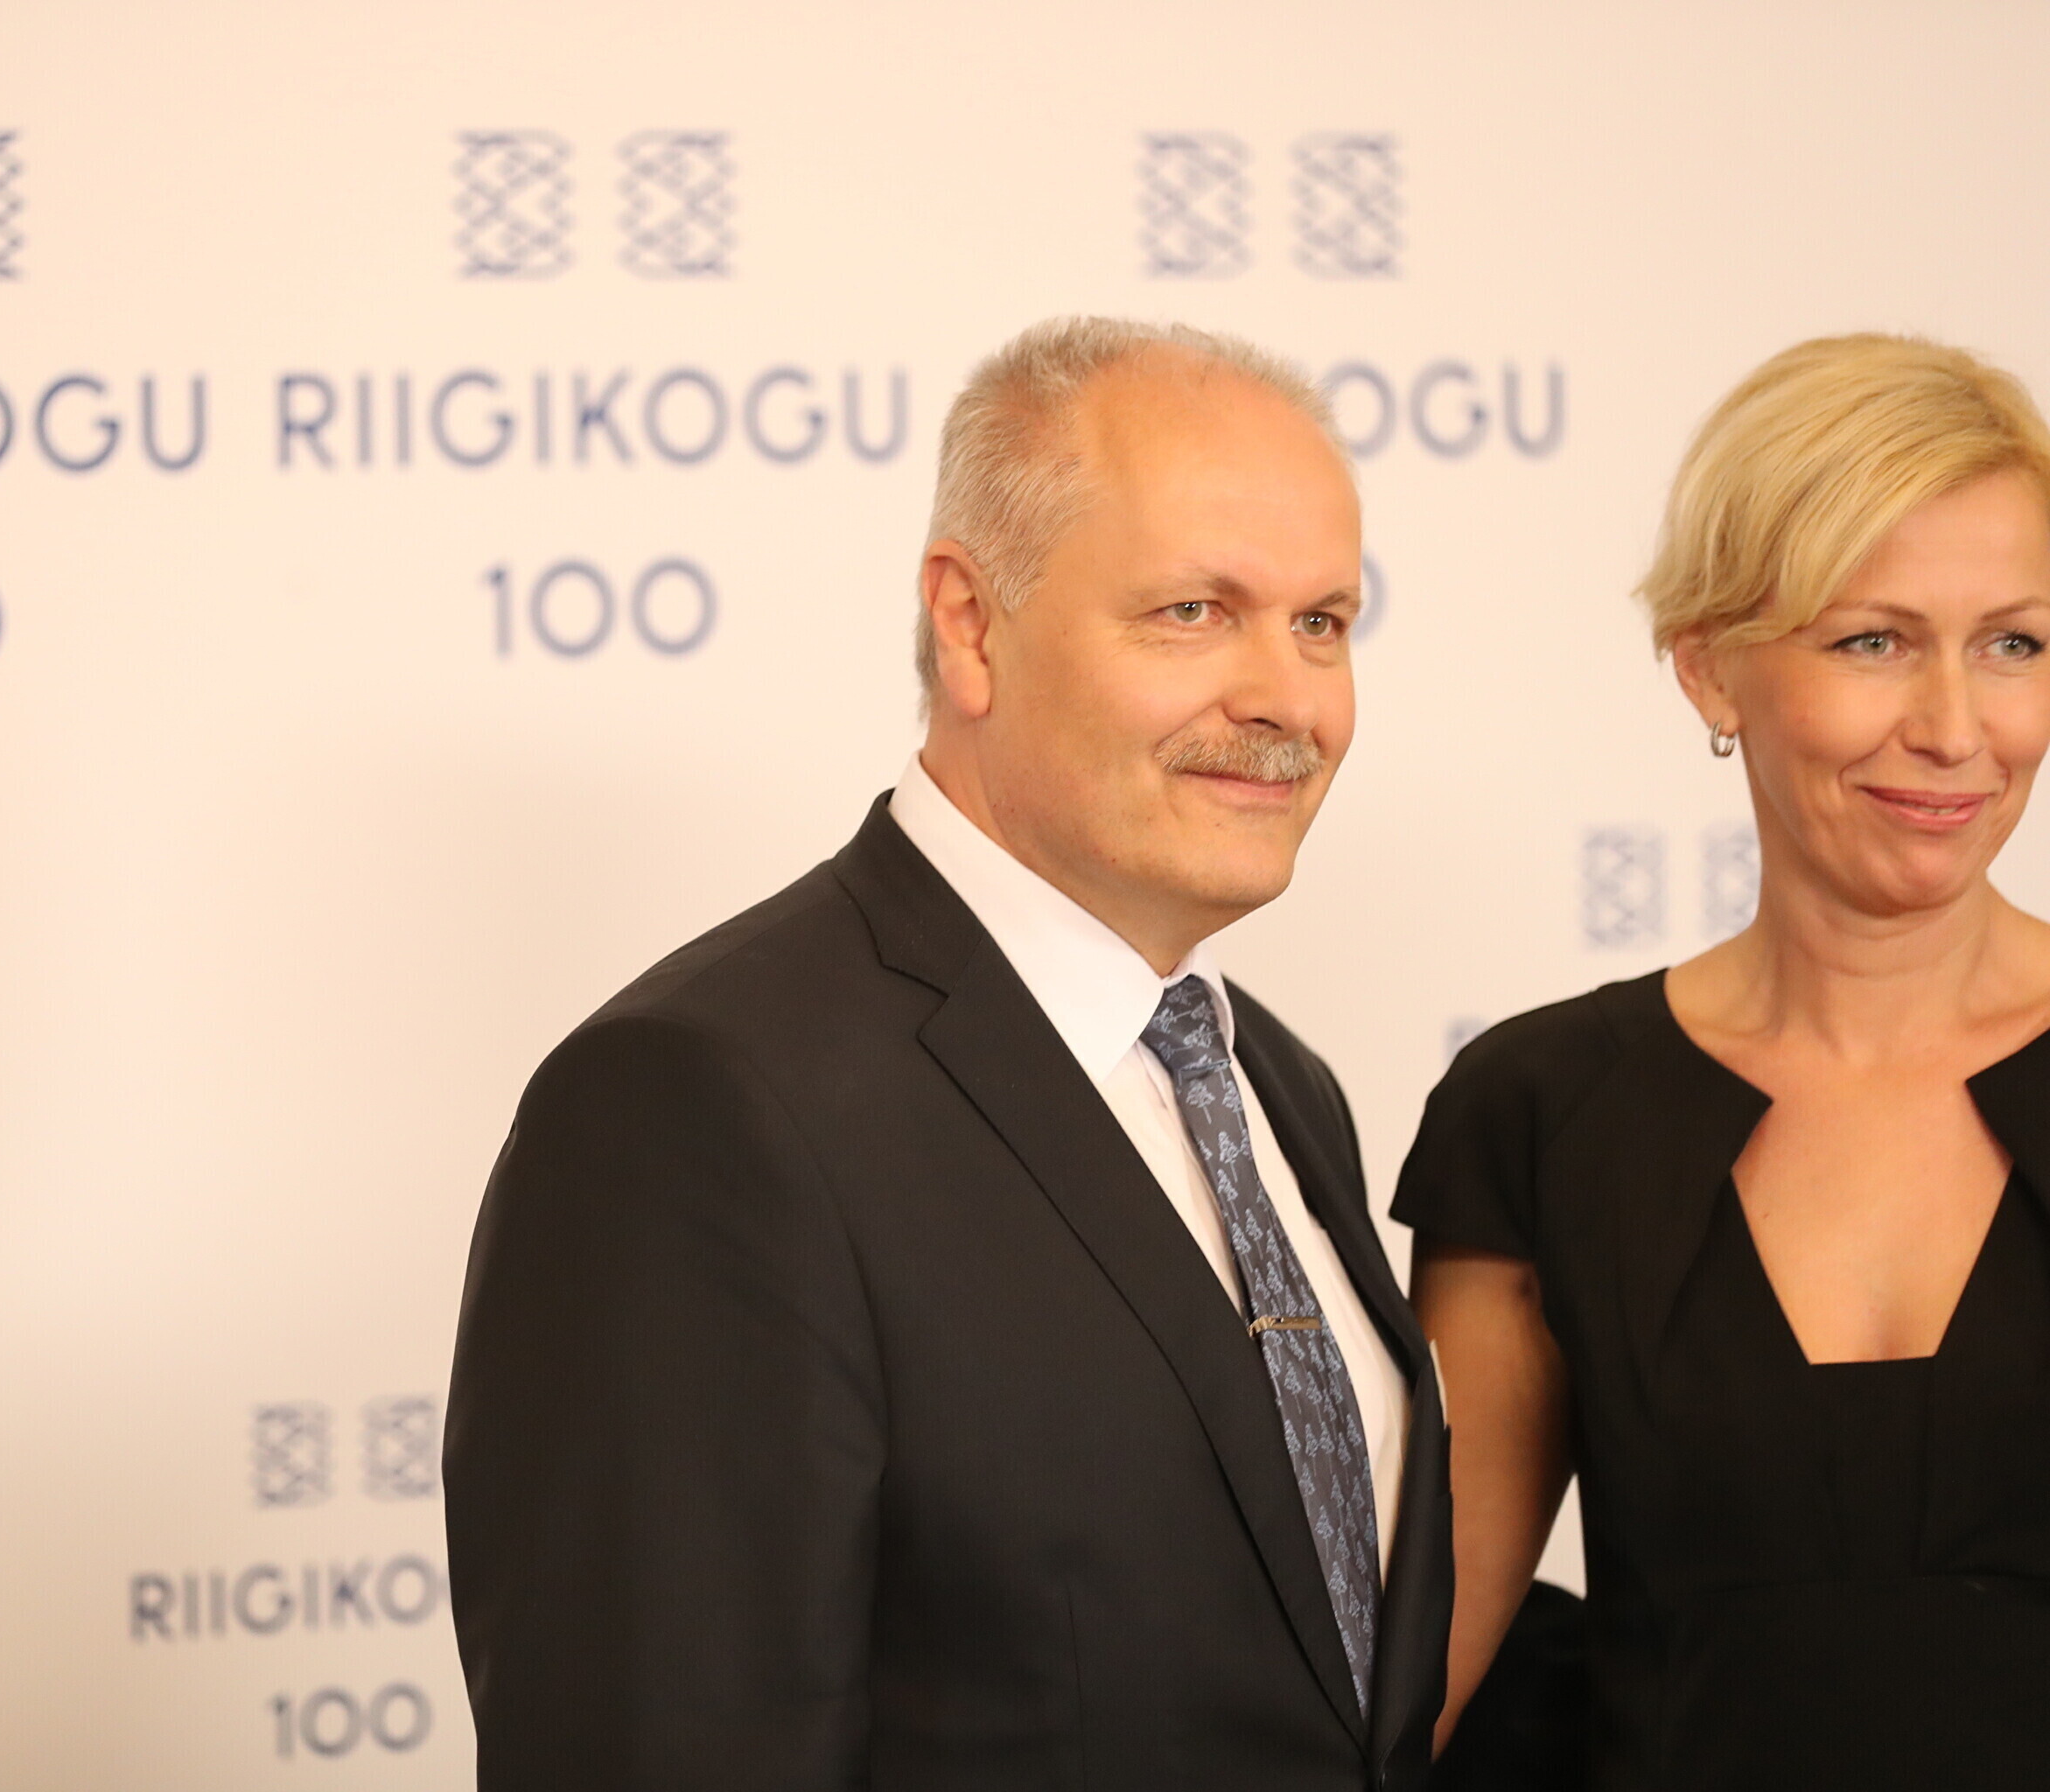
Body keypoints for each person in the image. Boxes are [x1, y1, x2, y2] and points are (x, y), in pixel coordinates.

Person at [446, 317, 1452, 1790]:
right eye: (1193, 611)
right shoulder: (698, 1111)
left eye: (1322, 623)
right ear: (972, 625)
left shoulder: (1277, 1087)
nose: (1287, 700)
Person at [1398, 332, 2050, 1788]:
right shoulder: (1545, 1114)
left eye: (2014, 644)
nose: (1956, 729)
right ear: (1708, 669)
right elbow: (1405, 1689)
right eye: (1872, 641)